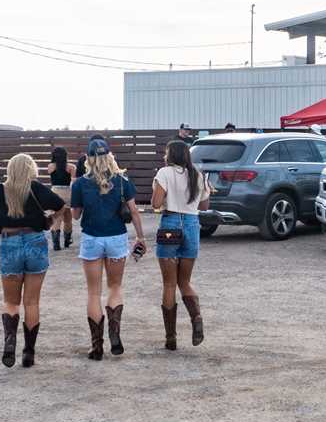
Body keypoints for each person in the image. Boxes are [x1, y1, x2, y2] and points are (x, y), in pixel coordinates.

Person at [70, 139, 147, 360]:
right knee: (115, 287)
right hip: (116, 238)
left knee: (93, 292)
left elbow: (75, 216)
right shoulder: (123, 180)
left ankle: (97, 347)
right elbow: (134, 212)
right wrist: (140, 237)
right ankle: (114, 334)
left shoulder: (80, 183)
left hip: (92, 238)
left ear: (89, 158)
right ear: (110, 156)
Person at [0, 154, 65, 368]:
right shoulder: (36, 189)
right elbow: (61, 206)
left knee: (11, 302)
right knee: (32, 302)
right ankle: (29, 352)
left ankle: (9, 344)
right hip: (36, 242)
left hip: (10, 242)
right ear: (30, 169)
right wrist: (50, 221)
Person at [152, 141, 212, 349]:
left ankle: (171, 338)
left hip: (170, 224)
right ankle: (196, 320)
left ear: (171, 155)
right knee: (184, 282)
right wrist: (208, 191)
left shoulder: (165, 173)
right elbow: (204, 205)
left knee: (169, 284)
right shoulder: (198, 174)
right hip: (192, 225)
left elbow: (156, 203)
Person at [47, 146, 76, 251]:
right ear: (65, 155)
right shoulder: (71, 167)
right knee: (68, 218)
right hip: (67, 192)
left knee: (56, 217)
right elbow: (74, 182)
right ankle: (67, 241)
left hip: (55, 192)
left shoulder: (50, 166)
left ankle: (56, 244)